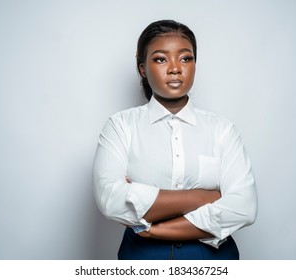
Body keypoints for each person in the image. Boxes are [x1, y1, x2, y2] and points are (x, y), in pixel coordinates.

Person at [92, 19, 257, 260]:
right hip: (142, 260)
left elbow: (244, 208)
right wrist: (203, 197)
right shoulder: (121, 126)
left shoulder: (222, 129)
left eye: (185, 58)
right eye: (160, 59)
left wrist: (154, 227)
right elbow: (111, 201)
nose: (175, 68)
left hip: (212, 260)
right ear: (142, 68)